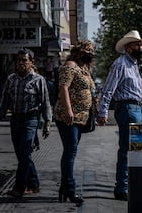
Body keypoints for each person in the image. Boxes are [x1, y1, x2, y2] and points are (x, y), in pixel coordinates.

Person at [97, 30, 142, 201]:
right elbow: (108, 89)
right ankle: (122, 187)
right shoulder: (120, 64)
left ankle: (132, 184)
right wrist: (102, 111)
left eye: (141, 44)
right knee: (128, 149)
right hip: (127, 108)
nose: (140, 47)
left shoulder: (133, 64)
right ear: (128, 47)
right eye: (137, 44)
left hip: (135, 108)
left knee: (137, 148)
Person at [0, 49, 52, 198]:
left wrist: (47, 123)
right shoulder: (11, 79)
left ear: (31, 62)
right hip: (15, 120)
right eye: (18, 60)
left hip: (30, 120)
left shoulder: (38, 80)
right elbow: (4, 101)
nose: (21, 63)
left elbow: (45, 103)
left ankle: (19, 187)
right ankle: (34, 184)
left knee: (25, 153)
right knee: (22, 155)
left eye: (24, 60)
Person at [54, 40, 96, 204]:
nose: (90, 52)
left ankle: (64, 189)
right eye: (87, 49)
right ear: (79, 51)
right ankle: (70, 189)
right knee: (70, 152)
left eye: (92, 50)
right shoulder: (70, 65)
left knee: (71, 151)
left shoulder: (84, 68)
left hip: (81, 118)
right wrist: (69, 110)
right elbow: (63, 87)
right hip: (68, 117)